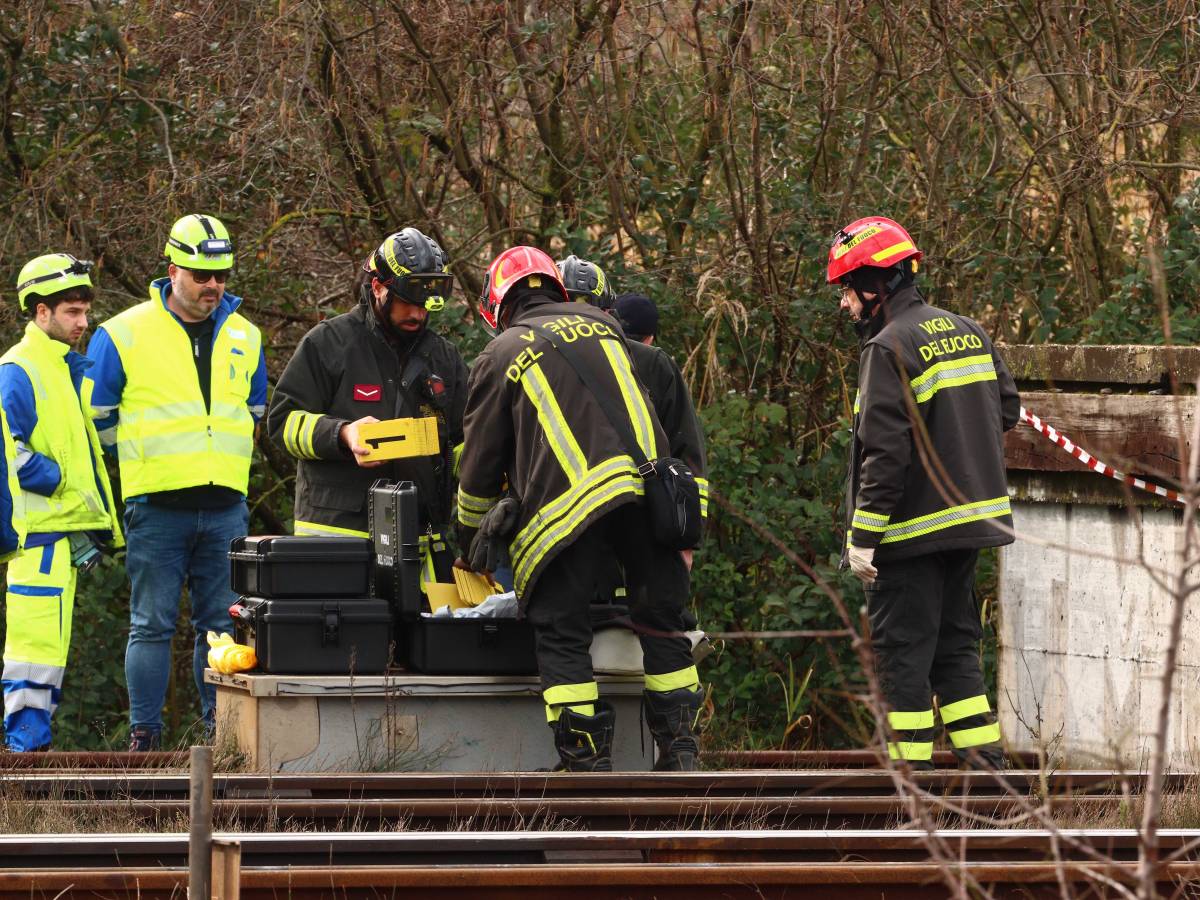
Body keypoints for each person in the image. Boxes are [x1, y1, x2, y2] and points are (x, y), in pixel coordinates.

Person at [457, 246, 703, 772]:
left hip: (570, 509)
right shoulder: (605, 327)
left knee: (561, 629)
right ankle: (681, 754)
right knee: (663, 623)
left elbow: (480, 463)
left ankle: (586, 765)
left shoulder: (500, 353)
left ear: (497, 307)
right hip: (649, 492)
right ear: (558, 289)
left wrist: (469, 532)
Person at [831, 215, 1019, 770]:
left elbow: (885, 455)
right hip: (969, 528)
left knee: (900, 658)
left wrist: (863, 538)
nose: (845, 306)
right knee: (955, 647)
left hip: (908, 534)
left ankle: (907, 791)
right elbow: (1006, 410)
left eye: (847, 291)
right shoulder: (968, 329)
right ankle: (988, 775)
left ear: (874, 283)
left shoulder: (887, 347)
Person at [87, 215, 267, 750]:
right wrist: (145, 462)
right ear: (173, 271)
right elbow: (97, 418)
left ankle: (220, 740)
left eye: (222, 275)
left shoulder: (246, 335)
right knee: (151, 626)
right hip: (157, 505)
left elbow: (252, 413)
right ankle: (145, 740)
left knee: (220, 627)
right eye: (200, 275)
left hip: (225, 505)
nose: (213, 285)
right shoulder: (123, 332)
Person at [267, 228, 468, 588]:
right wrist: (342, 434)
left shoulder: (444, 358)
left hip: (418, 545)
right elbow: (282, 423)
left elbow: (463, 440)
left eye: (425, 303)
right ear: (378, 287)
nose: (417, 314)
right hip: (336, 542)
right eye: (407, 300)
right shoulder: (329, 343)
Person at [0, 254, 121, 751]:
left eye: (85, 311)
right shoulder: (19, 370)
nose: (83, 322)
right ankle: (25, 750)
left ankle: (32, 749)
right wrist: (54, 479)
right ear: (40, 312)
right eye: (72, 311)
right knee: (34, 648)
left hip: (56, 534)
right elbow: (10, 445)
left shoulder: (60, 367)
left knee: (47, 648)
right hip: (37, 537)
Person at [556, 257, 709, 571]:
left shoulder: (651, 363)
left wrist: (686, 536)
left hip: (640, 527)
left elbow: (686, 451)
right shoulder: (531, 364)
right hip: (564, 536)